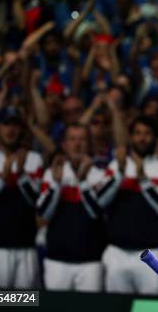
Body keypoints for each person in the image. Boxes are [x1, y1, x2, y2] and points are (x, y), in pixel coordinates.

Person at [95, 116, 158, 295]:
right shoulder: (116, 165)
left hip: (152, 254)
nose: (142, 138)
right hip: (117, 252)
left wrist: (143, 179)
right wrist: (120, 173)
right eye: (137, 133)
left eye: (147, 134)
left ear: (154, 138)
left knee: (150, 307)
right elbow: (100, 201)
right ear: (131, 137)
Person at [0, 107, 43, 289]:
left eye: (15, 124)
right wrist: (2, 179)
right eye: (6, 124)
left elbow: (37, 203)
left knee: (24, 305)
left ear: (21, 129)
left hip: (25, 248)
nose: (10, 129)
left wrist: (21, 176)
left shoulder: (34, 160)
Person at [36, 123, 107, 292]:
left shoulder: (99, 175)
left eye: (82, 139)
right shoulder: (51, 174)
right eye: (72, 139)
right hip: (56, 260)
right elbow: (43, 214)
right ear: (64, 145)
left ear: (89, 144)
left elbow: (96, 213)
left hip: (91, 262)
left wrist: (82, 182)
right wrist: (57, 185)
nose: (77, 144)